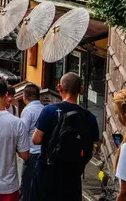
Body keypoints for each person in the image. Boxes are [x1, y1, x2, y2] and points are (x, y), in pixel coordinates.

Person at [31, 72, 99, 201]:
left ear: (59, 88)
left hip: (47, 170)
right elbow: (93, 146)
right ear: (81, 89)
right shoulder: (88, 117)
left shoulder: (49, 111)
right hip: (72, 173)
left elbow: (36, 139)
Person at [19, 84, 44, 201]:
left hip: (32, 153)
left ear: (25, 96)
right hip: (44, 152)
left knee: (27, 185)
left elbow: (22, 131)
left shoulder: (28, 110)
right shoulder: (44, 109)